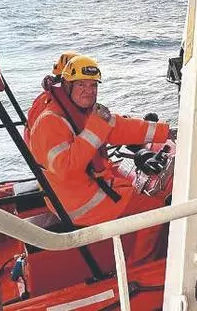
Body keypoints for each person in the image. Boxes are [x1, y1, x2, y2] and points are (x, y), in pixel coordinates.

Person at [25, 54, 171, 262]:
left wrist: (164, 131)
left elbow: (118, 127)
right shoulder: (50, 122)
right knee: (155, 211)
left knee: (135, 189)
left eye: (93, 86)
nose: (89, 91)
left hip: (76, 192)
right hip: (81, 203)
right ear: (66, 84)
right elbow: (67, 167)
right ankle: (140, 269)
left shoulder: (71, 109)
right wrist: (97, 125)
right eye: (82, 85)